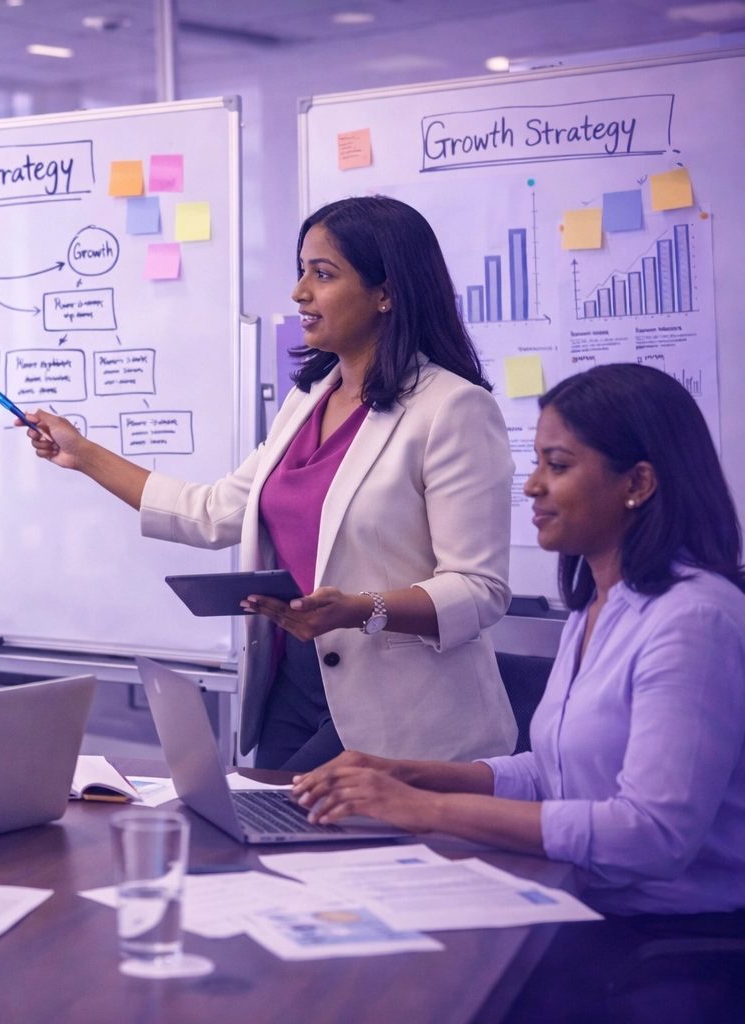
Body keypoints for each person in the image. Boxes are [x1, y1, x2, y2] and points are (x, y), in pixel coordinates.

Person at [290, 363, 745, 1020]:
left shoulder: (694, 619)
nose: (531, 485)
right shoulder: (603, 605)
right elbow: (556, 772)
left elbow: (649, 834)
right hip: (585, 907)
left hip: (664, 949)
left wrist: (421, 809)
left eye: (556, 465)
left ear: (637, 483)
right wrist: (409, 774)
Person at [24, 195, 517, 770]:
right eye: (301, 270)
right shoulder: (307, 400)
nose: (299, 292)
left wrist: (360, 608)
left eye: (323, 274)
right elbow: (209, 513)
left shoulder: (453, 408)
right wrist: (81, 453)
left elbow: (480, 590)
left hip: (401, 714)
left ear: (388, 293)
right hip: (291, 687)